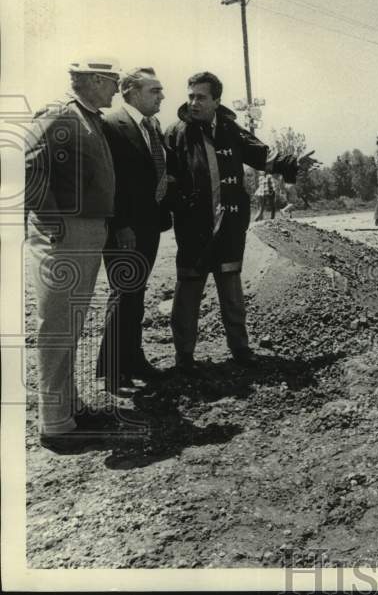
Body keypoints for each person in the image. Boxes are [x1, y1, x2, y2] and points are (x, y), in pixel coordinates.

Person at [163, 72, 315, 370]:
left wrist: (294, 164)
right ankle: (184, 356)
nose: (193, 102)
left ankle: (240, 349)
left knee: (231, 288)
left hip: (230, 225)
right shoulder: (175, 133)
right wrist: (178, 206)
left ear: (216, 100)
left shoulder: (232, 130)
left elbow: (265, 157)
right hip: (193, 228)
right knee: (188, 289)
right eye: (190, 96)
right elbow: (166, 179)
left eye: (201, 97)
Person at [24, 57, 122, 450]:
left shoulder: (88, 116)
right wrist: (50, 219)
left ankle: (70, 408)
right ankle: (56, 425)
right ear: (96, 80)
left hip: (84, 229)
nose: (117, 88)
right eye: (113, 81)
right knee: (58, 326)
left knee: (72, 324)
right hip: (66, 230)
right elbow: (25, 163)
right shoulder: (60, 114)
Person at [97, 66, 172, 395]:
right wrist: (120, 224)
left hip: (149, 224)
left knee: (136, 295)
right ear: (130, 92)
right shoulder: (111, 124)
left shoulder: (151, 125)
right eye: (154, 90)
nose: (162, 96)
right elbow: (108, 180)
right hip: (124, 228)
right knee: (123, 293)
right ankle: (113, 373)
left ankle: (134, 359)